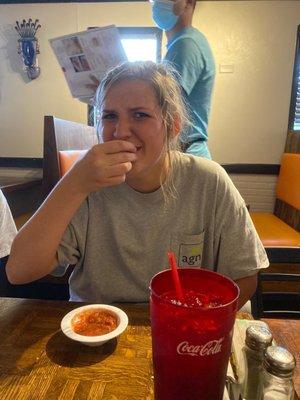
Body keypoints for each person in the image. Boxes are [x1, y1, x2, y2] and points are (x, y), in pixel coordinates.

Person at [6, 61, 268, 308]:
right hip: (94, 330)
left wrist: (195, 319)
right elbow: (18, 271)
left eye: (140, 115)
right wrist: (73, 183)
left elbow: (245, 276)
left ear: (173, 125)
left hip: (180, 329)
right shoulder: (87, 184)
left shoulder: (208, 181)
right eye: (109, 116)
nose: (120, 131)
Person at [151, 0, 215, 159]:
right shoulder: (186, 41)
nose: (158, 3)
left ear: (189, 2)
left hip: (185, 151)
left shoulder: (185, 44)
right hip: (186, 149)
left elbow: (162, 102)